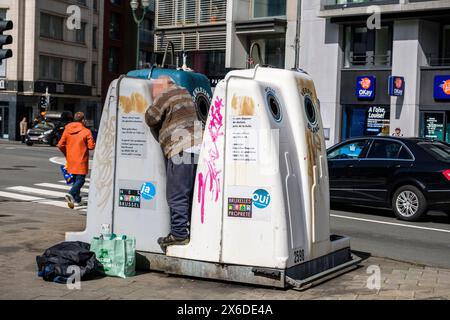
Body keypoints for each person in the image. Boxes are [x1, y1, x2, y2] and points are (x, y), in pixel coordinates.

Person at [145, 76, 202, 252]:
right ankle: (190, 230)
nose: (153, 91)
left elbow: (150, 118)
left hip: (181, 148)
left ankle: (178, 234)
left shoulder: (166, 93)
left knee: (176, 194)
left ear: (161, 85)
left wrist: (152, 101)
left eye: (154, 89)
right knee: (189, 193)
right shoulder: (184, 92)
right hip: (196, 147)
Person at [57, 112, 95, 209]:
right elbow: (91, 146)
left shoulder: (67, 129)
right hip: (81, 159)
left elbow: (60, 145)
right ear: (83, 120)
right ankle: (70, 194)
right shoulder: (86, 131)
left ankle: (77, 199)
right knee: (81, 180)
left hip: (71, 159)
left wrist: (66, 154)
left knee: (75, 180)